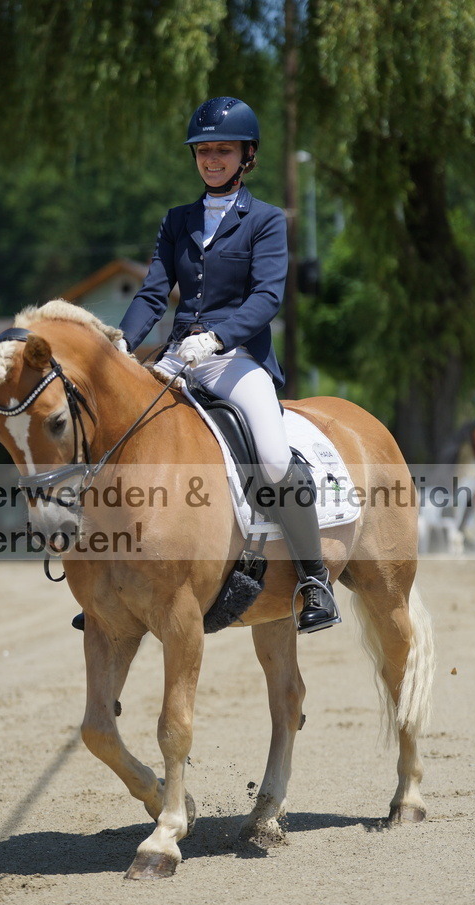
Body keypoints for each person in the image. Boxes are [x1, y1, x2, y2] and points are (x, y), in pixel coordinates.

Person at [116, 97, 339, 633]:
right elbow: (152, 294)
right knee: (117, 440)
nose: (212, 159)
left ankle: (314, 579)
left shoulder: (265, 221)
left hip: (237, 361)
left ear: (246, 155)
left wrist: (215, 338)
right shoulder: (177, 221)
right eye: (203, 151)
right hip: (176, 359)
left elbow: (266, 299)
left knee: (273, 458)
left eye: (223, 150)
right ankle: (113, 574)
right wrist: (119, 347)